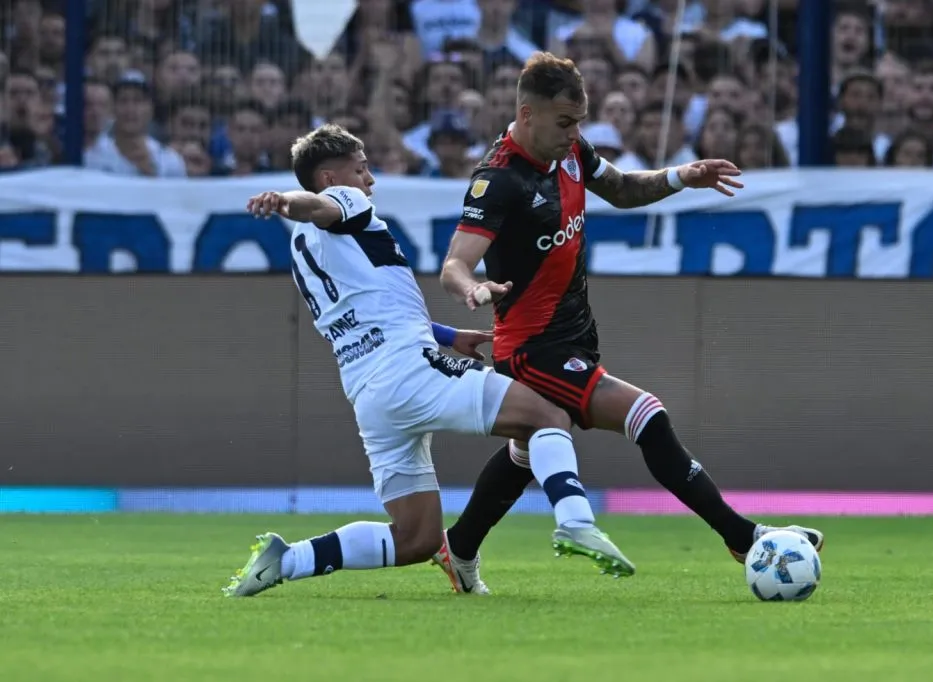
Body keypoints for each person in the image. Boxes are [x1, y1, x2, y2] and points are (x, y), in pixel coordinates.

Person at [433, 52, 824, 593]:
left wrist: (681, 176)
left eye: (580, 122)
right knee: (648, 415)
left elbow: (621, 188)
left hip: (573, 335)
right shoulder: (499, 179)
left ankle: (460, 546)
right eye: (565, 123)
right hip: (530, 347)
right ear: (527, 114)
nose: (575, 135)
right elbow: (454, 262)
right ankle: (742, 536)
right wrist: (472, 287)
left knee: (526, 452)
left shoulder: (570, 152)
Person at [222, 124, 634, 598]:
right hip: (408, 369)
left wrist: (446, 334)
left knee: (416, 538)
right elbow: (318, 205)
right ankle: (575, 520)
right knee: (547, 415)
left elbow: (367, 306)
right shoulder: (344, 202)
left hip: (369, 393)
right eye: (361, 169)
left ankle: (287, 559)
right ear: (331, 176)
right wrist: (288, 200)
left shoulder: (301, 250)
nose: (370, 180)